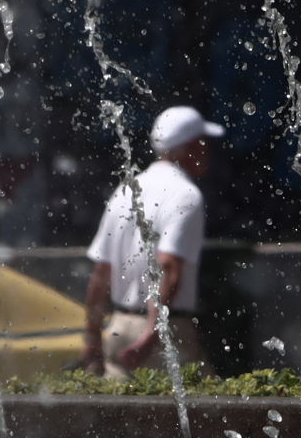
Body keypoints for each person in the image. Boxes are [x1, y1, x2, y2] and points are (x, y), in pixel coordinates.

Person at [82, 106, 224, 379]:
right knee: (203, 403)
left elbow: (101, 271)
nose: (207, 151)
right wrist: (151, 336)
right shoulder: (186, 195)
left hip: (118, 327)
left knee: (121, 405)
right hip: (159, 330)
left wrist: (91, 335)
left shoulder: (125, 189)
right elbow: (167, 266)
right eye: (204, 143)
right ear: (191, 146)